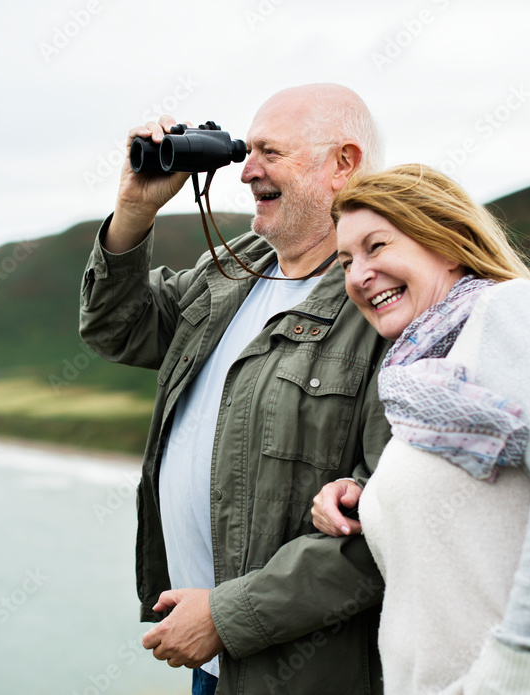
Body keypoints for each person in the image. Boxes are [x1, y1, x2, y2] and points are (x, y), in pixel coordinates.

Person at [79, 84, 392, 693]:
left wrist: (226, 617)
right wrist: (135, 209)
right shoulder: (234, 267)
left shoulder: (383, 301)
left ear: (343, 165)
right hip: (217, 665)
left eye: (271, 154)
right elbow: (117, 328)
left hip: (305, 674)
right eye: (247, 152)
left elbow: (388, 525)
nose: (246, 171)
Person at [312, 164, 530, 694]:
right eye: (346, 261)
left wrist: (521, 663)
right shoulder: (418, 382)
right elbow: (477, 507)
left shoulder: (512, 310)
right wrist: (371, 499)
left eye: (376, 246)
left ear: (447, 244)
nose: (358, 275)